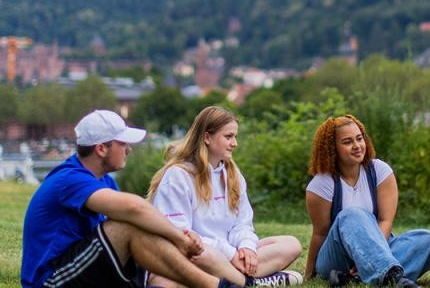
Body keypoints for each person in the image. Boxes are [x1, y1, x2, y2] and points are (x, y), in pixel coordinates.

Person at [21, 110, 231, 288]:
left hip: (84, 266)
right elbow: (133, 208)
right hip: (50, 280)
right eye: (123, 144)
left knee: (164, 273)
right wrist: (180, 237)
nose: (129, 149)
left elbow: (141, 218)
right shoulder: (69, 179)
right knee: (125, 227)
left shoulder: (104, 181)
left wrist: (178, 236)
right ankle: (216, 285)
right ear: (101, 148)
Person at [147, 106, 303, 287]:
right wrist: (230, 254)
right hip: (198, 257)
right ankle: (251, 283)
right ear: (206, 137)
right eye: (228, 137)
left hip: (231, 257)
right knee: (202, 253)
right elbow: (180, 235)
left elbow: (243, 223)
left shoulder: (232, 174)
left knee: (292, 244)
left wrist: (246, 247)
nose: (235, 143)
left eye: (234, 136)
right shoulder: (178, 175)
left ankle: (238, 279)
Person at [304, 115, 430, 287]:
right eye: (347, 142)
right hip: (338, 257)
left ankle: (355, 277)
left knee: (428, 240)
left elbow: (385, 220)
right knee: (352, 214)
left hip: (378, 244)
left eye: (359, 138)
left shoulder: (379, 171)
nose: (357, 146)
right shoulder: (321, 183)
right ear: (332, 149)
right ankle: (394, 278)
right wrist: (309, 274)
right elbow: (320, 233)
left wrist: (370, 257)